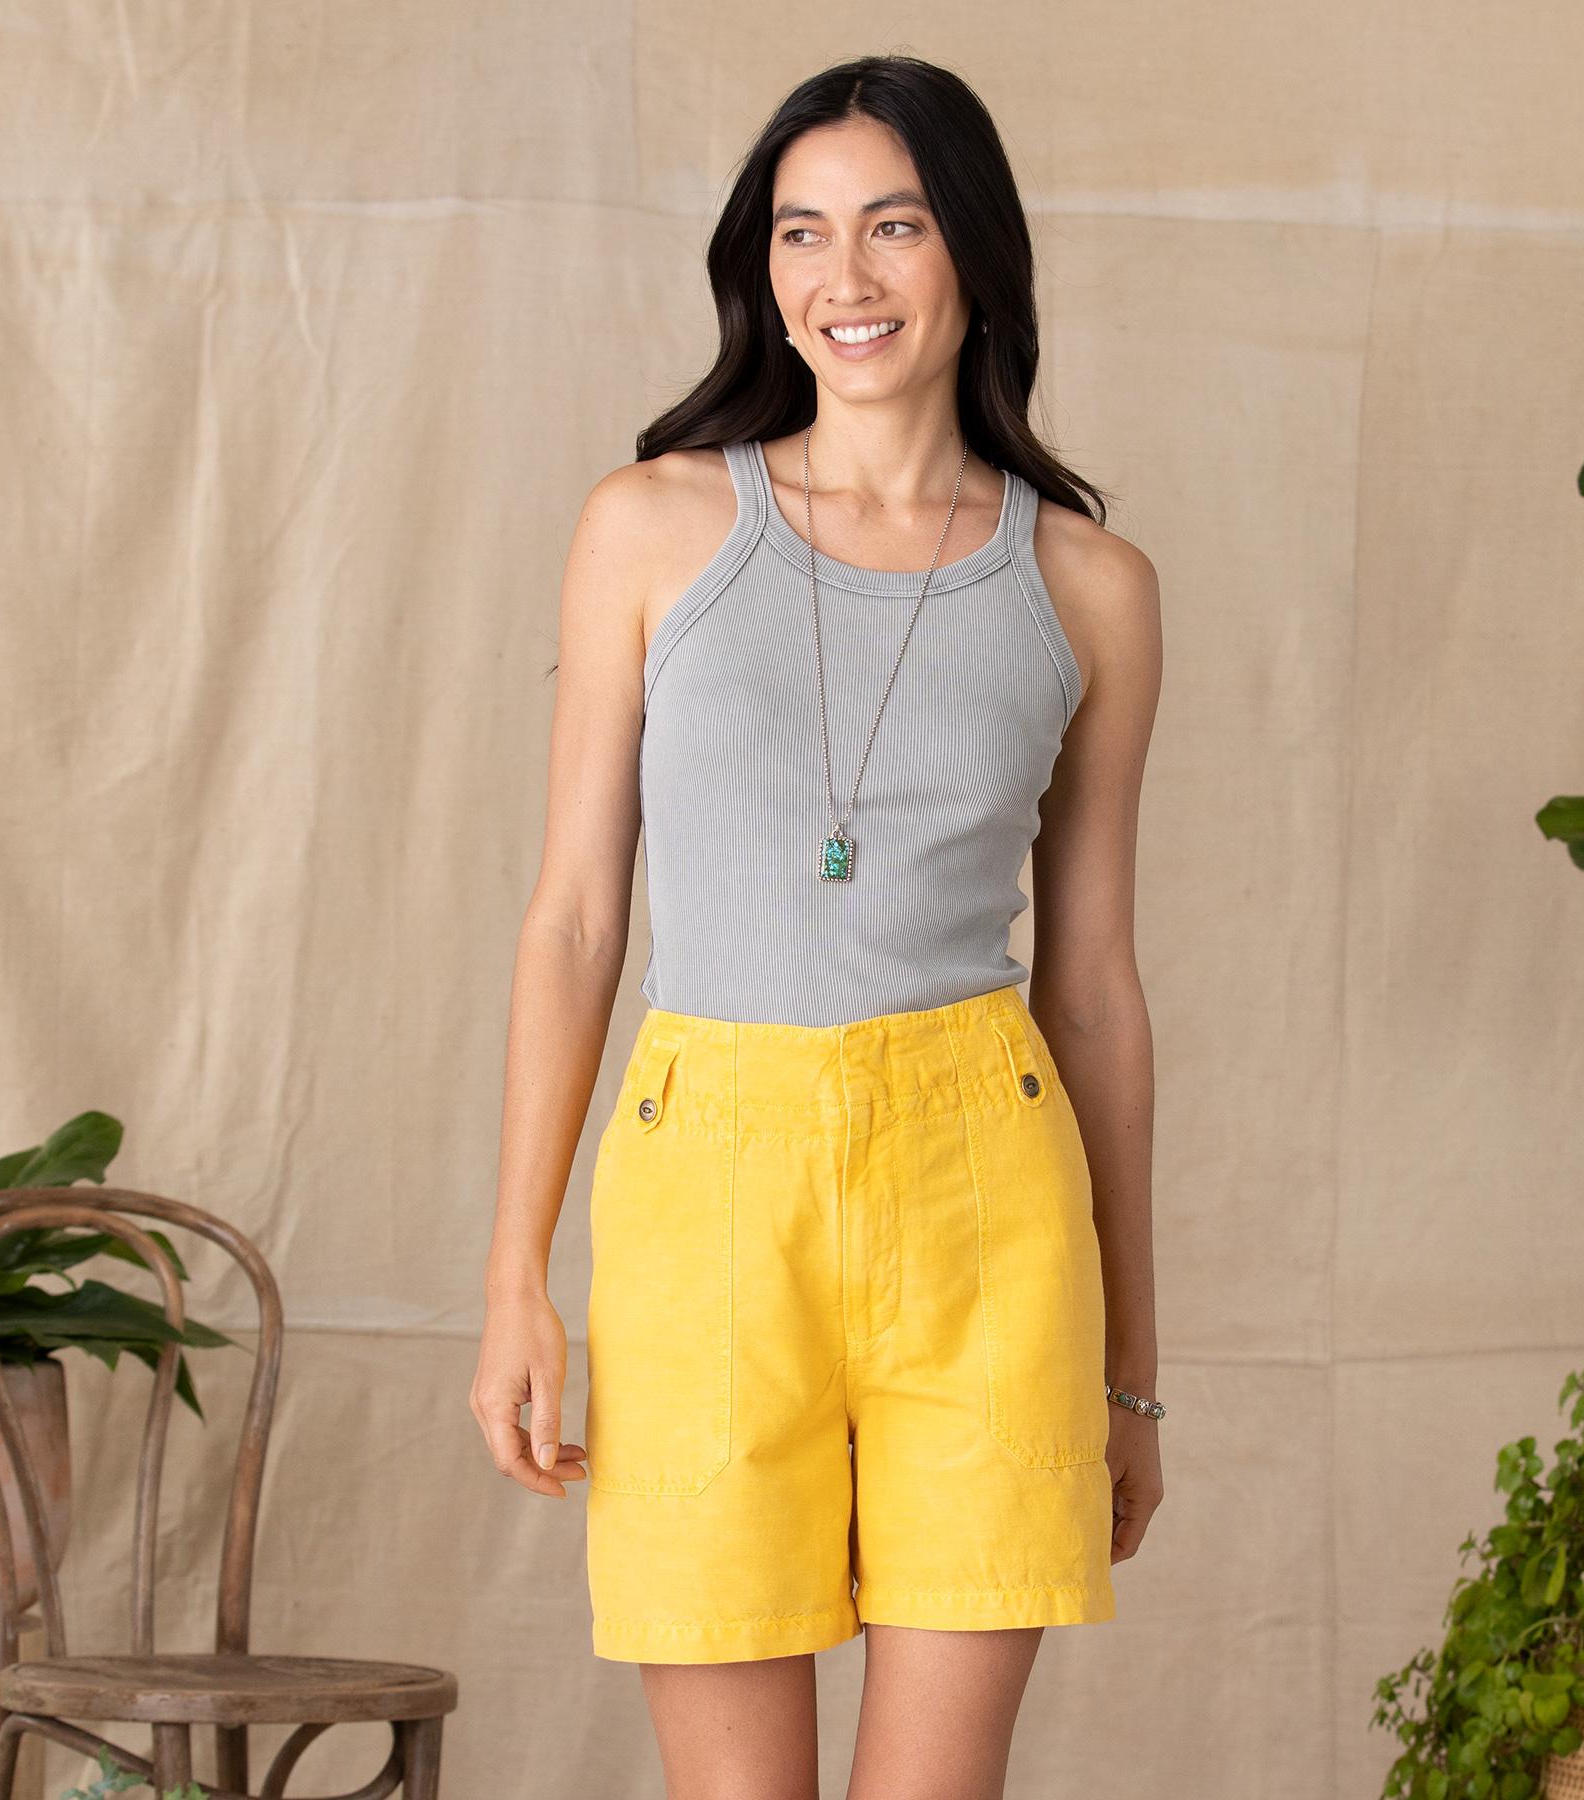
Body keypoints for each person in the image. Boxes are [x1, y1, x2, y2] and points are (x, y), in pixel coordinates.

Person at [471, 51, 1164, 1800]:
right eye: (800, 232)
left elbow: (1092, 988)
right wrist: (515, 1275)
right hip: (707, 1187)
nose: (842, 277)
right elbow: (575, 921)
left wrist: (1133, 1373)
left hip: (988, 1200)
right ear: (761, 266)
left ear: (975, 252)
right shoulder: (652, 527)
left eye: (893, 226)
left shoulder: (1089, 586)